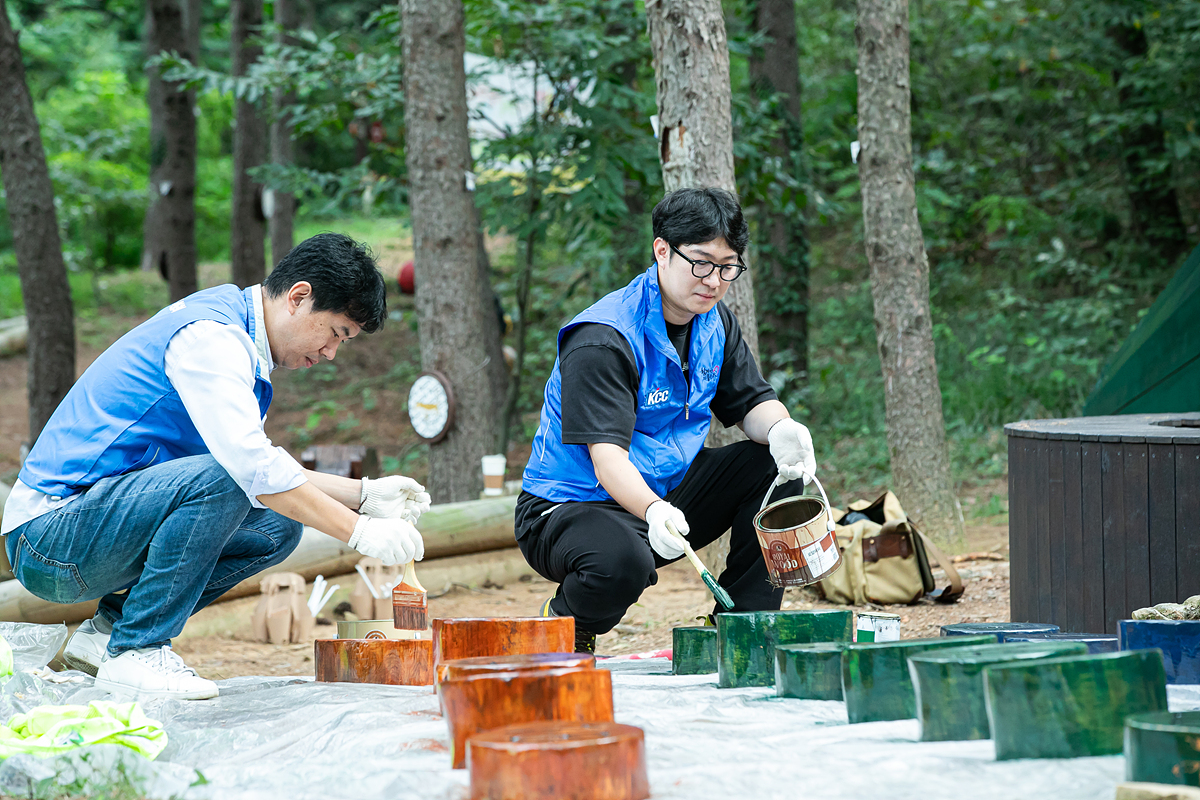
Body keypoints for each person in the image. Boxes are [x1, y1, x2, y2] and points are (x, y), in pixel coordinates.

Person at [1, 233, 430, 699]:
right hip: (48, 538)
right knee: (234, 478)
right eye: (335, 333)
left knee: (276, 528)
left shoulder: (240, 342)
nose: (330, 353)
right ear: (299, 297)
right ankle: (137, 651)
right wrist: (359, 533)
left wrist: (365, 495)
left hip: (91, 527)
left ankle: (108, 634)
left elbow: (261, 471)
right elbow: (246, 468)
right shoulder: (212, 338)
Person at [517, 187, 817, 654]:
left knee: (770, 469)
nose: (713, 280)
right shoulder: (604, 337)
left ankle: (743, 629)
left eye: (727, 267)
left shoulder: (714, 323)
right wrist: (653, 510)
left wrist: (783, 430)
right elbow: (607, 459)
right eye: (700, 262)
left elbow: (751, 401)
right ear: (662, 250)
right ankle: (564, 624)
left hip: (668, 494)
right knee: (621, 562)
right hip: (574, 507)